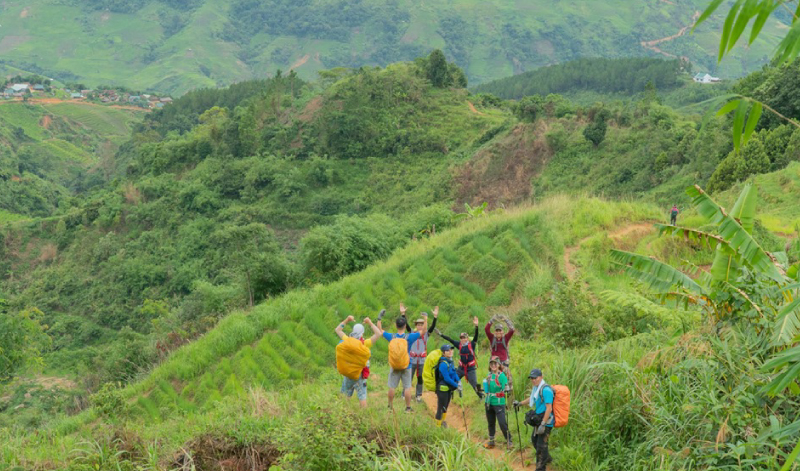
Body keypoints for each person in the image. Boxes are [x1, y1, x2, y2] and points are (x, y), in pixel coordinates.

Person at [377, 306, 421, 413]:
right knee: (407, 388)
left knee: (392, 387)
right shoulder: (409, 337)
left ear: (396, 325)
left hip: (394, 365)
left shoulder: (391, 337)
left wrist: (379, 318)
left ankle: (390, 407)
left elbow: (379, 329)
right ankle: (408, 408)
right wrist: (426, 319)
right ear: (405, 326)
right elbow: (423, 331)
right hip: (407, 365)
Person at [335, 314, 381, 408]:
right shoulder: (365, 343)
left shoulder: (347, 340)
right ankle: (363, 417)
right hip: (360, 374)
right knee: (362, 396)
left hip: (349, 373)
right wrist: (370, 322)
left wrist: (347, 320)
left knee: (345, 395)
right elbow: (378, 334)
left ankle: (342, 414)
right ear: (362, 333)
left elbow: (338, 330)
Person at [513, 368, 554, 471]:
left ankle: (540, 468)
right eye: (531, 378)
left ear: (541, 377)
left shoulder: (546, 390)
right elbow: (532, 399)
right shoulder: (536, 389)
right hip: (539, 419)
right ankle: (547, 457)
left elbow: (549, 408)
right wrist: (520, 403)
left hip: (546, 422)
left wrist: (543, 424)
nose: (533, 380)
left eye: (535, 378)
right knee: (534, 440)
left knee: (540, 446)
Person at [437, 316, 483, 399]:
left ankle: (481, 397)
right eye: (461, 338)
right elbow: (450, 340)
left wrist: (476, 326)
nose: (462, 339)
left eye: (464, 337)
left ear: (467, 338)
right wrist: (441, 335)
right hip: (461, 368)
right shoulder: (459, 345)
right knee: (453, 379)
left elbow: (476, 336)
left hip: (470, 369)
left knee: (475, 384)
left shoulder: (471, 345)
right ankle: (450, 393)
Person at [410, 306, 438, 402]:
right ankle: (406, 394)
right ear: (416, 325)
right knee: (409, 378)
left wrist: (435, 317)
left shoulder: (426, 335)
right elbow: (406, 326)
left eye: (422, 324)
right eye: (418, 324)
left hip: (421, 361)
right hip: (412, 360)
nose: (420, 326)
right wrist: (403, 314)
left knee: (420, 378)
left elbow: (432, 327)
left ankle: (418, 395)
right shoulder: (412, 334)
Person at [483, 356, 512, 450]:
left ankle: (509, 440)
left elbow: (506, 388)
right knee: (490, 422)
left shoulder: (502, 376)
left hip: (499, 402)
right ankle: (491, 441)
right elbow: (486, 389)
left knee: (502, 423)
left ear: (499, 365)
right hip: (489, 402)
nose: (493, 365)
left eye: (495, 363)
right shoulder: (489, 376)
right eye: (491, 363)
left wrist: (506, 389)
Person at [486, 314, 515, 394]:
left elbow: (512, 330)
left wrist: (506, 320)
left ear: (502, 331)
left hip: (504, 362)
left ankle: (508, 395)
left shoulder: (505, 338)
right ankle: (491, 391)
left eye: (500, 330)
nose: (498, 332)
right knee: (492, 377)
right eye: (497, 330)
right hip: (494, 362)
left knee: (508, 378)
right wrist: (492, 320)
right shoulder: (492, 338)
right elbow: (486, 329)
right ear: (495, 331)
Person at [434, 344, 461, 428]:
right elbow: (446, 378)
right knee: (440, 408)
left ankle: (443, 422)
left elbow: (454, 373)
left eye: (451, 350)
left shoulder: (450, 361)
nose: (450, 351)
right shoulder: (443, 364)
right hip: (442, 389)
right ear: (443, 353)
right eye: (448, 350)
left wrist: (459, 381)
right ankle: (438, 426)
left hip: (448, 389)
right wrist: (456, 385)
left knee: (445, 407)